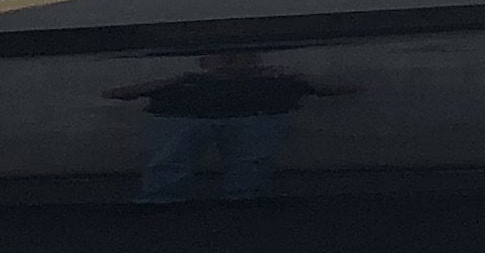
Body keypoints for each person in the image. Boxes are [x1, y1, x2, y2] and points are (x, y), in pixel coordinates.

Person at [106, 48, 354, 205]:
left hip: (254, 118)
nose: (230, 61)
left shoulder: (275, 80)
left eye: (240, 56)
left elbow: (341, 89)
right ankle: (160, 201)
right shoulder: (184, 83)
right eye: (221, 57)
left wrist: (297, 76)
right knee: (170, 158)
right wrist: (172, 81)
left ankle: (242, 199)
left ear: (255, 60)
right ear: (203, 62)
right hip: (183, 120)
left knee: (252, 160)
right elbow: (116, 93)